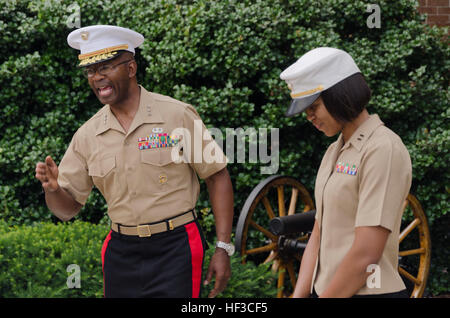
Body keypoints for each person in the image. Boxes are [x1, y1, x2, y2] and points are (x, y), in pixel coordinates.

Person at [35, 25, 234, 298]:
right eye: (91, 71)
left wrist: (223, 247)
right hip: (121, 253)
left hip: (177, 248)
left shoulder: (178, 115)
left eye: (106, 66)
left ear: (130, 68)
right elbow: (66, 210)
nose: (97, 77)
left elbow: (217, 176)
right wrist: (54, 189)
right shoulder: (87, 135)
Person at [280, 47, 411, 298]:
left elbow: (366, 254)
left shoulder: (383, 149)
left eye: (314, 106)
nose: (309, 116)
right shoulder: (334, 151)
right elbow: (318, 234)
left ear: (340, 96)